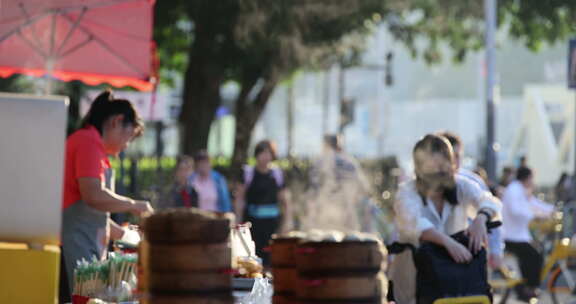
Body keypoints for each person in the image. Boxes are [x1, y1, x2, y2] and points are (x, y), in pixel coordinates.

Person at [61, 90, 154, 298]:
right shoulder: (88, 141)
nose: (126, 145)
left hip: (86, 244)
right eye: (128, 137)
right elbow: (92, 195)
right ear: (116, 122)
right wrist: (134, 205)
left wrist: (125, 235)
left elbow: (92, 216)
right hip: (73, 247)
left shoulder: (95, 147)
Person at [390, 134, 501, 304]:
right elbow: (412, 222)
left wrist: (481, 219)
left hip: (456, 282)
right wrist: (448, 243)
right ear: (419, 168)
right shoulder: (407, 192)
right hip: (414, 280)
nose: (439, 172)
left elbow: (488, 201)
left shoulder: (462, 185)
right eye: (432, 167)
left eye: (443, 165)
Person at [437, 131, 505, 269]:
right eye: (450, 156)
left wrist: (496, 251)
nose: (454, 161)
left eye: (458, 156)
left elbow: (491, 206)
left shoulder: (469, 182)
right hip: (434, 256)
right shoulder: (421, 185)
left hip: (467, 252)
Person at [502, 166, 553, 301]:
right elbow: (516, 210)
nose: (533, 181)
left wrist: (551, 210)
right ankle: (528, 289)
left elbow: (534, 203)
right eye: (532, 178)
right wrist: (535, 215)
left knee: (536, 253)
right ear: (527, 178)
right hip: (512, 235)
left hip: (519, 234)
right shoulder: (514, 190)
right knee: (534, 255)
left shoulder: (520, 189)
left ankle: (527, 288)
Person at [235, 140, 288, 266]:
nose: (265, 157)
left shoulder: (277, 174)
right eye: (262, 153)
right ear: (256, 155)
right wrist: (238, 220)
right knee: (252, 259)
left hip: (271, 225)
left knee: (271, 258)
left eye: (268, 153)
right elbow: (239, 198)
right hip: (252, 224)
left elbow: (285, 200)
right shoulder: (247, 173)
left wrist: (287, 222)